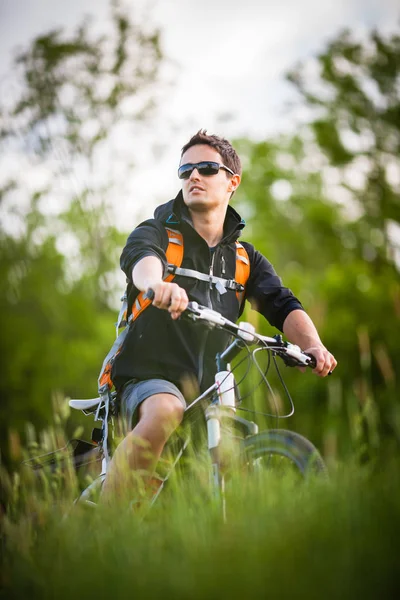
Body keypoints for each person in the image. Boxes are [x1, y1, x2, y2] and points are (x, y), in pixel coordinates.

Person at [101, 130, 337, 501]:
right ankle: (104, 533)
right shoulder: (158, 233)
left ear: (232, 182)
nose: (193, 176)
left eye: (207, 168)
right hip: (147, 377)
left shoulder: (245, 259)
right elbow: (142, 263)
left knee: (228, 454)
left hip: (213, 385)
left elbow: (282, 303)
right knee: (166, 410)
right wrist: (157, 285)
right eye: (186, 170)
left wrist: (313, 345)